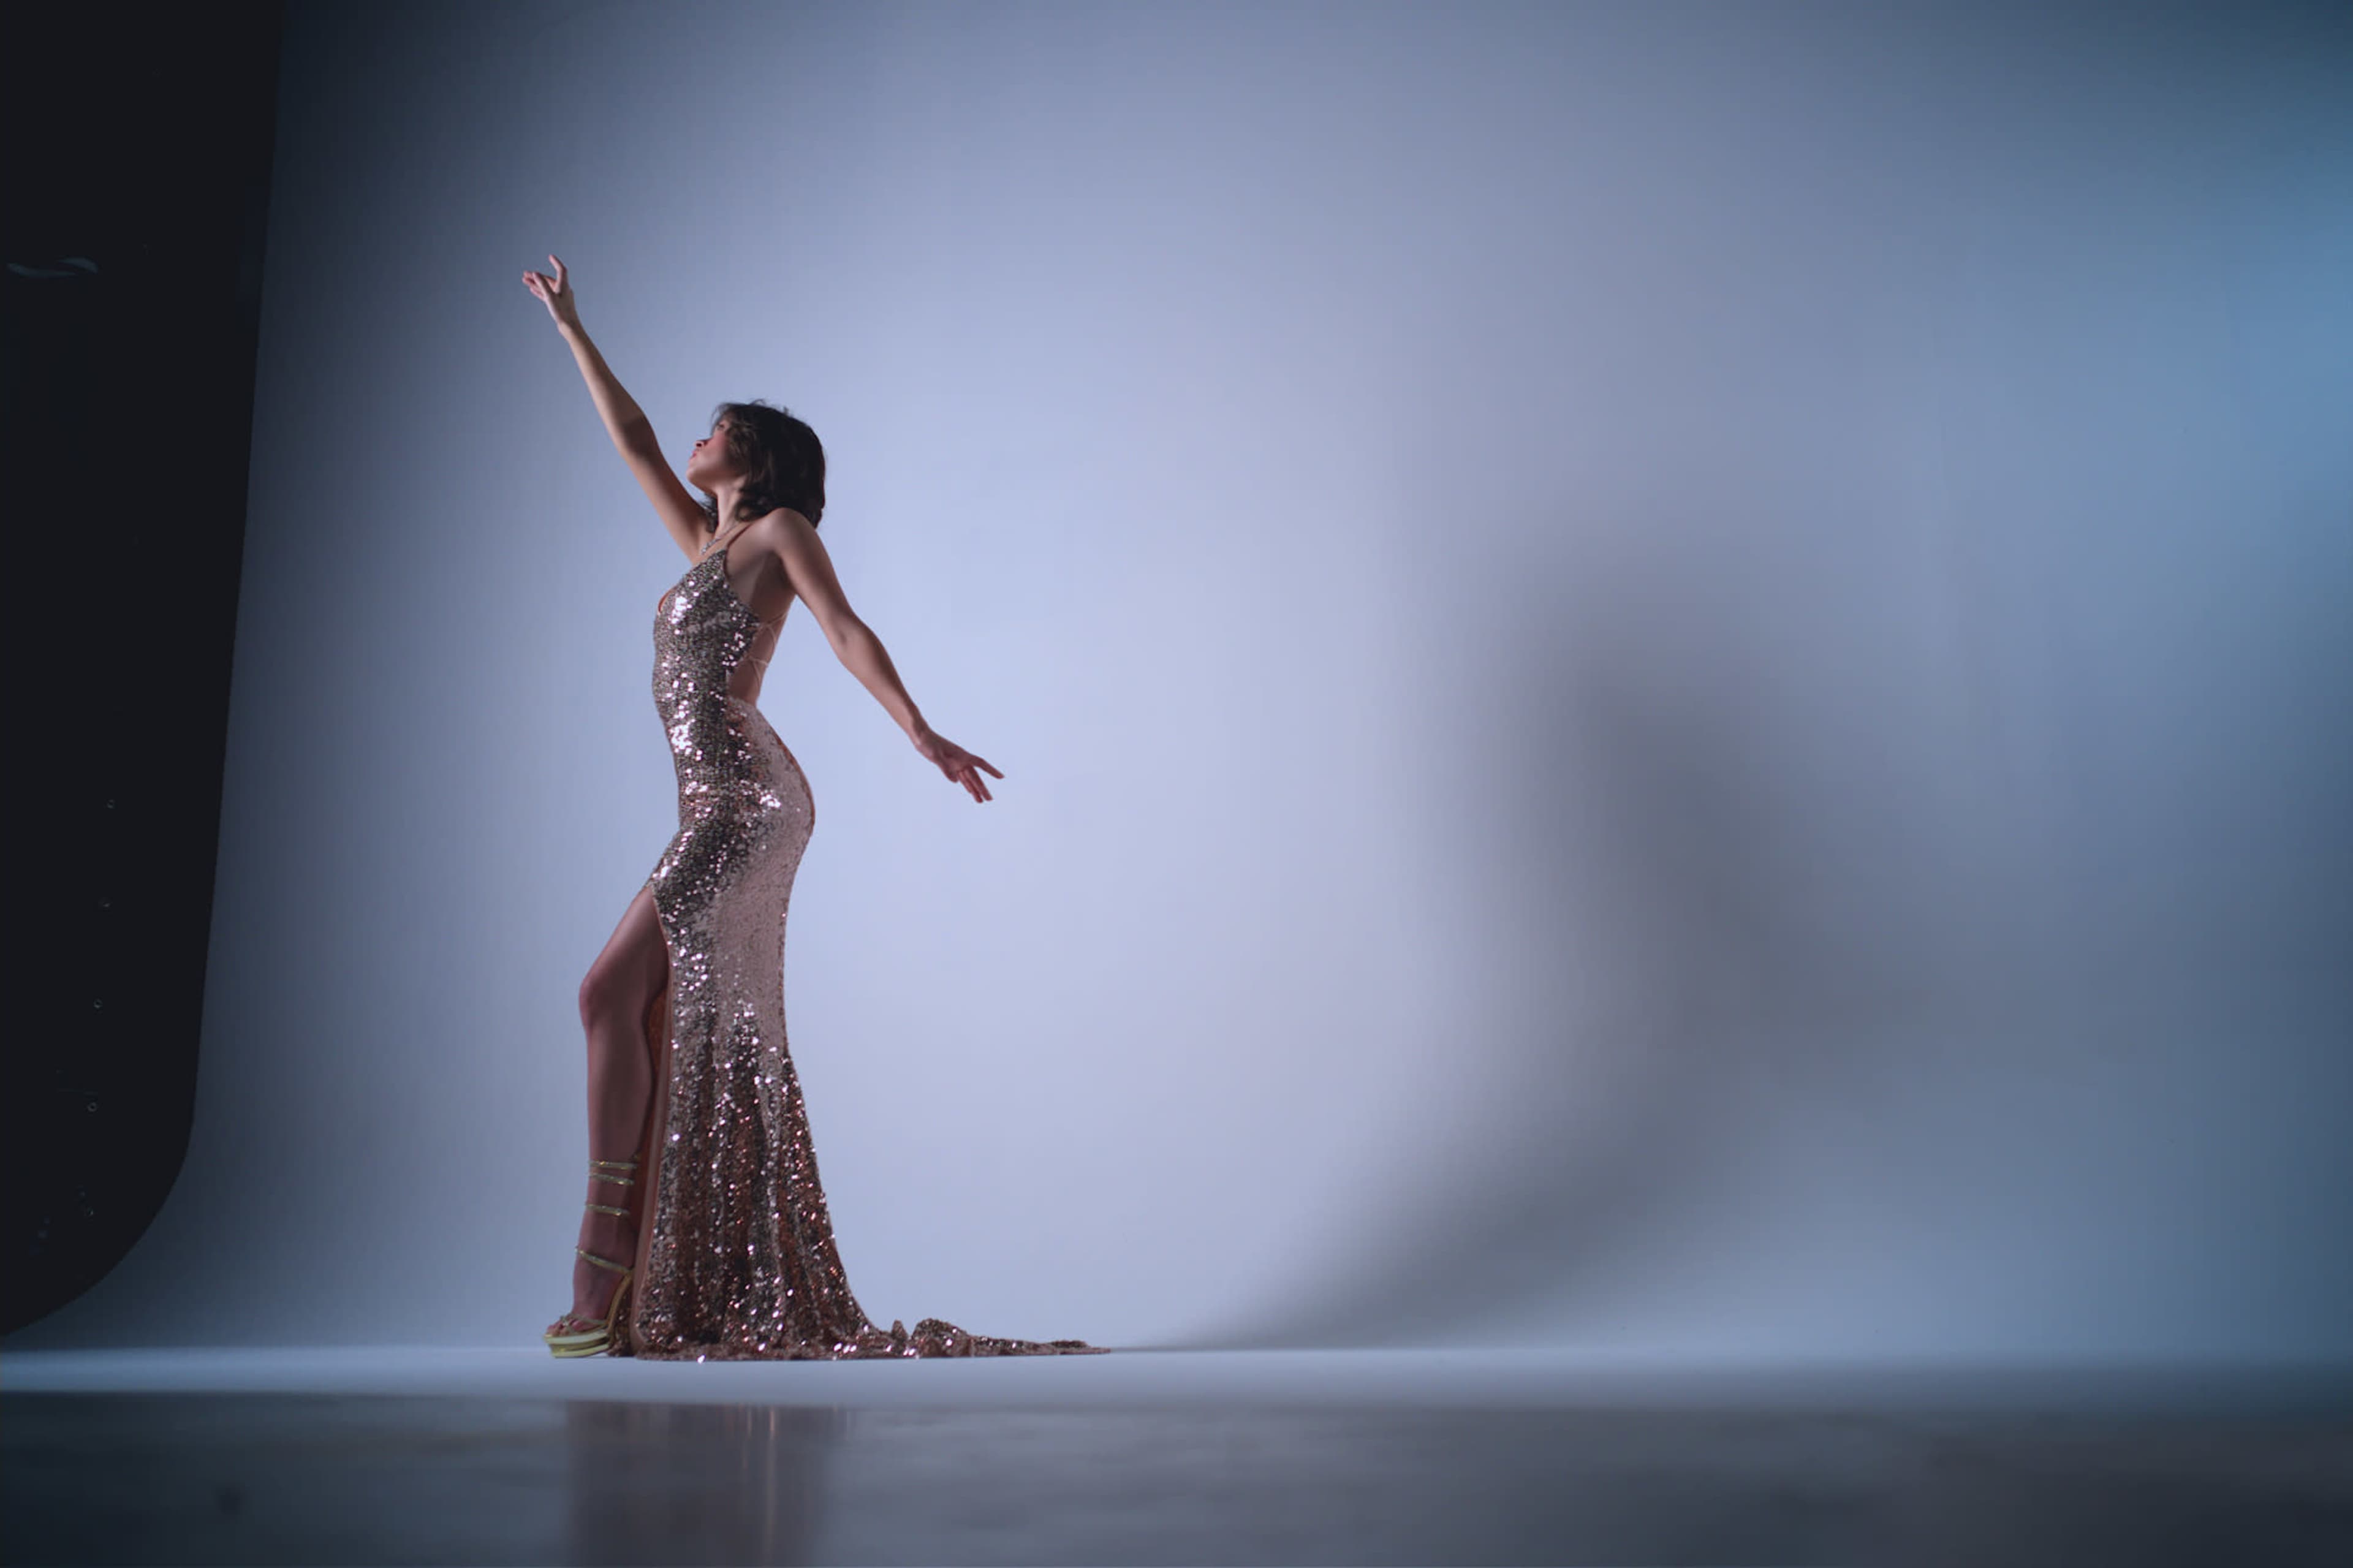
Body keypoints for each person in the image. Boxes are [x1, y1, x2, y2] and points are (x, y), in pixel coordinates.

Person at [521, 255, 1102, 1359]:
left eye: (718, 428)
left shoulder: (779, 533)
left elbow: (844, 633)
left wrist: (920, 732)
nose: (698, 440)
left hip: (749, 799)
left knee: (611, 993)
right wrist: (572, 329)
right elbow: (635, 441)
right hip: (715, 802)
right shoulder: (705, 545)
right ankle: (640, 1282)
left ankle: (605, 1286)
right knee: (640, 1011)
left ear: (757, 455)